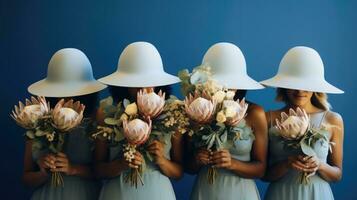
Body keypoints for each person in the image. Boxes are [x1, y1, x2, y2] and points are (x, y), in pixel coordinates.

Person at [95, 41, 183, 200]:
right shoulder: (106, 112)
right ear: (124, 84)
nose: (146, 91)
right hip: (117, 193)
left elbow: (178, 173)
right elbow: (97, 169)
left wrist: (161, 160)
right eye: (138, 85)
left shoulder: (173, 112)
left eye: (151, 83)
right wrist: (120, 165)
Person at [261, 46, 344, 200]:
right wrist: (287, 163)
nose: (300, 90)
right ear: (284, 85)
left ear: (316, 86)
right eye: (293, 83)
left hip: (317, 195)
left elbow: (337, 174)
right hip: (281, 195)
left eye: (306, 84)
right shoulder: (269, 118)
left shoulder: (332, 119)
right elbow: (264, 175)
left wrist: (319, 164)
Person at [187, 42, 267, 200]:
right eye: (219, 82)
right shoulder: (196, 110)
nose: (225, 87)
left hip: (241, 193)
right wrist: (197, 159)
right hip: (205, 191)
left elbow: (261, 169)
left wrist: (233, 163)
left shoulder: (254, 113)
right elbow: (187, 168)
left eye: (231, 82)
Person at [24, 48, 106, 200]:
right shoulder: (37, 116)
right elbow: (26, 178)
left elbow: (101, 171)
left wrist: (72, 168)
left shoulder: (96, 117)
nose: (68, 94)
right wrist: (43, 173)